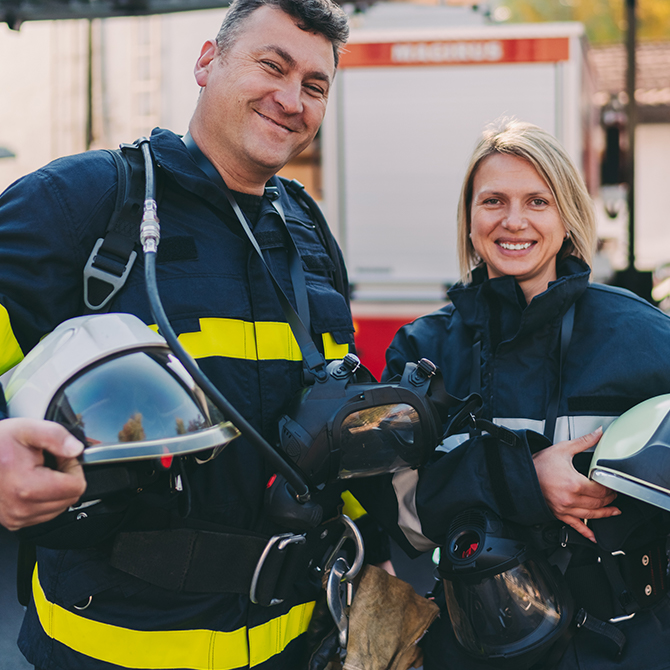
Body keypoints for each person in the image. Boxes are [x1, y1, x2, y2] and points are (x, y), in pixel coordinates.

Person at [0, 0, 368, 667]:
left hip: (288, 648)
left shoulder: (310, 238)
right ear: (207, 62)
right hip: (107, 649)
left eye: (315, 86)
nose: (291, 99)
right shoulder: (85, 201)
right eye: (272, 65)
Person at [379, 120, 670, 669]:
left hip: (631, 646)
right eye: (493, 200)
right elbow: (399, 516)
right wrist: (524, 481)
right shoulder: (424, 348)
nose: (514, 221)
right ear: (470, 219)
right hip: (475, 644)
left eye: (537, 201)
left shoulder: (644, 338)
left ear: (567, 218)